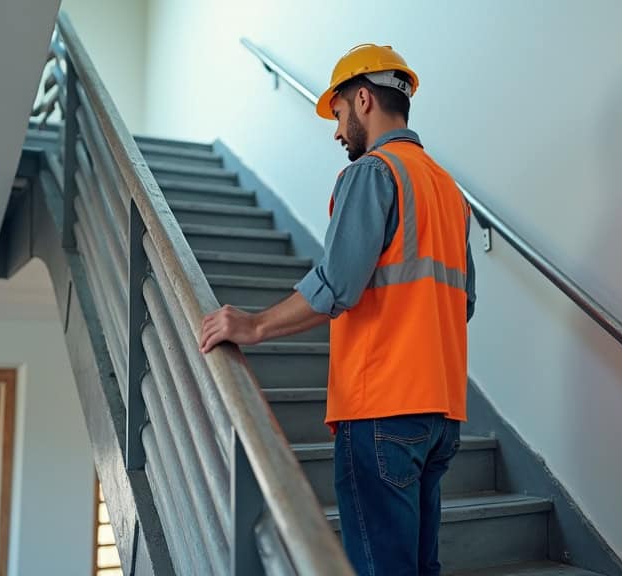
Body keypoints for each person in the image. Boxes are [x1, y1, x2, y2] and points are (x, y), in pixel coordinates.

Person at [198, 43, 476, 576]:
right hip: (441, 414)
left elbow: (337, 285)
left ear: (364, 99)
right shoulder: (448, 190)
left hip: (381, 412)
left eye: (339, 111)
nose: (336, 129)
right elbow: (462, 304)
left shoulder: (373, 173)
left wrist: (253, 324)